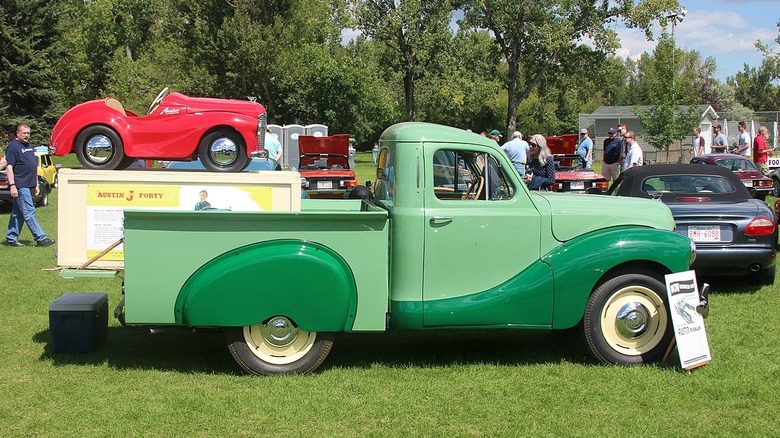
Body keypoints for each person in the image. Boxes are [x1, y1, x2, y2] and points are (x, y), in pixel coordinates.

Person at [3, 124, 55, 247]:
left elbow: (32, 166)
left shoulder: (29, 146)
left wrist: (36, 184)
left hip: (30, 184)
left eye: (28, 133)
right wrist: (12, 185)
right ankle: (41, 238)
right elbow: (9, 168)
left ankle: (11, 239)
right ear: (17, 133)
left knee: (18, 213)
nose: (27, 135)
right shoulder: (13, 147)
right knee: (29, 211)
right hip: (20, 185)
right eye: (24, 133)